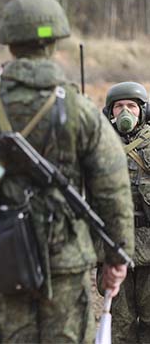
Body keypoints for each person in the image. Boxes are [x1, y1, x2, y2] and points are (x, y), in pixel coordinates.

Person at [0, 0, 134, 343]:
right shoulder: (82, 110)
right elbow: (113, 189)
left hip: (3, 259)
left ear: (9, 42)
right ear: (57, 41)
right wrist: (116, 256)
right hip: (67, 262)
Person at [98, 81, 150, 343]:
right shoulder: (97, 148)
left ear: (143, 111)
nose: (126, 112)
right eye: (119, 106)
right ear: (110, 112)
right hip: (114, 248)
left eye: (132, 106)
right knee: (120, 323)